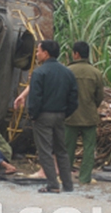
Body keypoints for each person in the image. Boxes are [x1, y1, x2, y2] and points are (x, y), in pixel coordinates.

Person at [27, 40, 78, 193]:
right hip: (60, 115)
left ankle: (53, 184)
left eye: (38, 51)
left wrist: (33, 115)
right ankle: (68, 185)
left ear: (46, 53)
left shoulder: (39, 72)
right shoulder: (67, 72)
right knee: (61, 151)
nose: (37, 54)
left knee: (45, 151)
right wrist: (65, 113)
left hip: (43, 116)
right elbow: (73, 97)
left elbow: (35, 97)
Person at [65, 41, 105, 185]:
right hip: (89, 116)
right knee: (89, 148)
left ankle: (65, 175)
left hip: (70, 116)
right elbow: (100, 96)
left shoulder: (67, 71)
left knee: (68, 146)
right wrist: (92, 106)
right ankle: (85, 178)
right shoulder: (96, 73)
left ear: (76, 54)